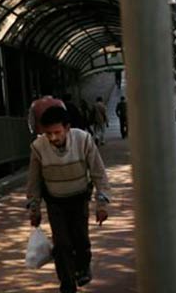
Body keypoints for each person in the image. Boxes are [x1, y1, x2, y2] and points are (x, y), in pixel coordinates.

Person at [26, 106, 110, 293]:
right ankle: (67, 283)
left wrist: (102, 203)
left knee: (81, 239)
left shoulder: (83, 140)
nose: (53, 138)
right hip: (55, 201)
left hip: (79, 198)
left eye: (57, 132)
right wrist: (34, 209)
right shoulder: (38, 148)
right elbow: (34, 181)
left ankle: (82, 266)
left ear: (67, 128)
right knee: (62, 243)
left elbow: (99, 173)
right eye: (48, 134)